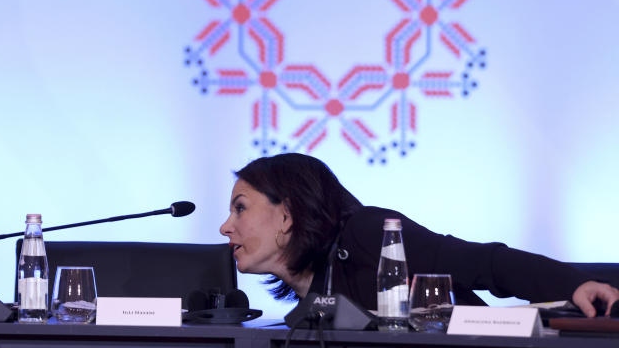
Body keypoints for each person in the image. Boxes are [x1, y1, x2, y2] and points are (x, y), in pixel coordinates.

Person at [219, 153, 619, 317]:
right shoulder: (311, 297)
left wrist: (576, 284)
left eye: (241, 207)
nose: (226, 226)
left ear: (287, 215)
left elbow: (482, 264)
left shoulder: (367, 233)